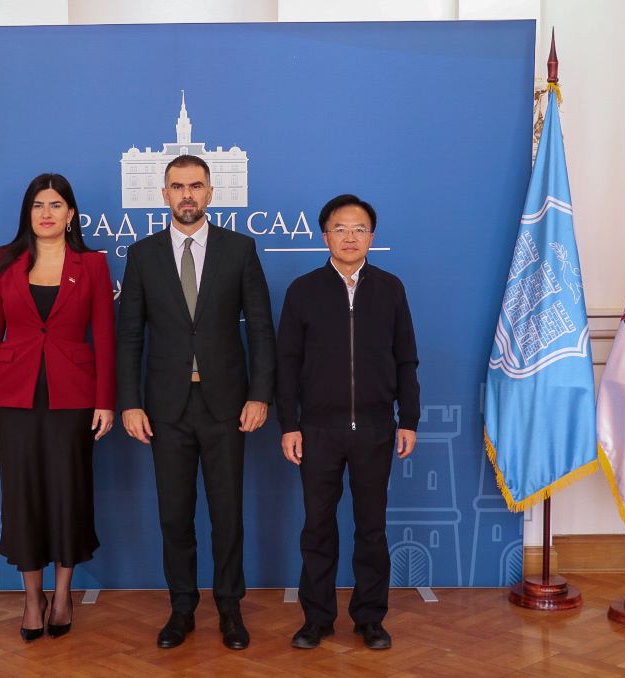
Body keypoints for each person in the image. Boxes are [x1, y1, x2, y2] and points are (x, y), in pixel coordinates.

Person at [116, 155, 276, 650]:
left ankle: (230, 609)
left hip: (226, 405)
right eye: (178, 186)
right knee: (174, 515)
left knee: (227, 515)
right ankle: (181, 609)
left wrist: (259, 395)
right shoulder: (142, 255)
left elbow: (262, 330)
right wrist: (130, 402)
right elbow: (130, 338)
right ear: (164, 194)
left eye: (196, 186)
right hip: (165, 409)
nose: (187, 194)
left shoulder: (239, 250)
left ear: (210, 192)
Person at [0, 173, 116, 641]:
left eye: (55, 205)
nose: (46, 213)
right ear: (27, 213)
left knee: (68, 492)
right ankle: (32, 598)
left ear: (71, 213)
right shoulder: (4, 261)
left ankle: (62, 595)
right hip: (13, 396)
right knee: (23, 496)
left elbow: (105, 336)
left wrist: (106, 401)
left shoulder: (92, 264)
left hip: (73, 396)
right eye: (38, 205)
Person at [275, 194, 419, 651]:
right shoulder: (303, 290)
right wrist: (289, 424)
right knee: (317, 528)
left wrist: (408, 419)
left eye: (359, 229)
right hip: (317, 430)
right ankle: (316, 619)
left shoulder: (390, 288)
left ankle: (370, 618)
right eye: (340, 228)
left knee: (371, 528)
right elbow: (286, 364)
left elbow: (406, 359)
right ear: (325, 236)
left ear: (371, 237)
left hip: (376, 428)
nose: (350, 237)